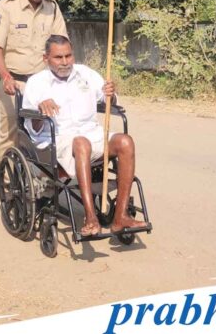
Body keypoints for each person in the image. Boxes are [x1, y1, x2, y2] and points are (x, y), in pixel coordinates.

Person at [22, 35, 148, 237]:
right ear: (46, 58)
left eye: (68, 56)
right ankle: (90, 218)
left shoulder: (86, 74)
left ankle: (121, 216)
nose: (65, 62)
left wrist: (110, 93)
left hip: (92, 133)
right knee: (81, 143)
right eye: (58, 57)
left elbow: (108, 100)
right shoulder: (36, 83)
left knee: (125, 141)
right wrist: (40, 109)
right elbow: (32, 127)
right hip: (58, 139)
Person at [0, 0, 68, 160]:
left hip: (43, 82)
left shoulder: (52, 7)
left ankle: (41, 174)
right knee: (12, 132)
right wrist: (5, 76)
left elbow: (61, 43)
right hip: (14, 82)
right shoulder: (6, 7)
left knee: (49, 129)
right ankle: (8, 176)